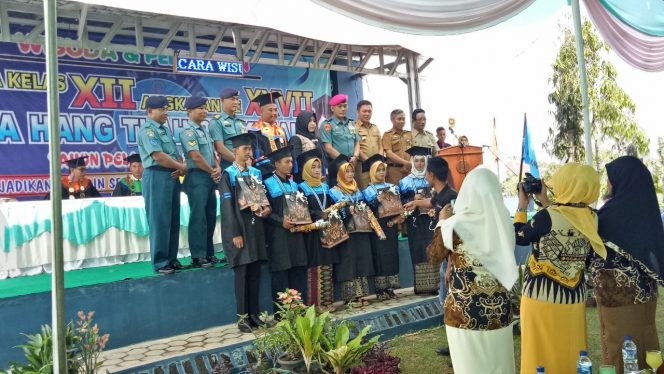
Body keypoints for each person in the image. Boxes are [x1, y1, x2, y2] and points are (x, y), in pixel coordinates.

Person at [515, 163, 603, 373]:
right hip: (573, 296)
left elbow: (520, 237)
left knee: (539, 353)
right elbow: (566, 216)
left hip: (541, 294)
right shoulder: (593, 217)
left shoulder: (547, 216)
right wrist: (545, 201)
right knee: (570, 349)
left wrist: (521, 206)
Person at [431, 168, 517, 373]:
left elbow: (433, 256)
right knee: (500, 366)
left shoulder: (455, 225)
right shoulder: (504, 223)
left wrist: (441, 221)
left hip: (464, 312)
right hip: (500, 311)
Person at [590, 156, 664, 371]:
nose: (608, 184)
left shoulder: (613, 214)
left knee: (622, 351)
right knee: (646, 343)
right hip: (643, 296)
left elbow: (587, 231)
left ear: (624, 179)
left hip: (620, 299)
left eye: (611, 179)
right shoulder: (644, 210)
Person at [219, 132, 270, 332]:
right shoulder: (228, 175)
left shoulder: (256, 173)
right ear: (235, 151)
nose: (249, 152)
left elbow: (262, 199)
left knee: (256, 273)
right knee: (243, 275)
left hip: (256, 228)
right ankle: (243, 319)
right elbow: (227, 208)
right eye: (245, 149)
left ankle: (255, 315)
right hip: (240, 229)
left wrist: (267, 209)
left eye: (250, 149)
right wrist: (235, 234)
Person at [138, 95, 188, 275]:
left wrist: (181, 168)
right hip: (156, 176)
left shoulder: (164, 130)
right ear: (150, 111)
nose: (166, 112)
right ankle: (160, 262)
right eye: (162, 109)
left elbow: (174, 154)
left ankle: (171, 259)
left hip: (171, 175)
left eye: (166, 109)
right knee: (160, 220)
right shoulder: (148, 130)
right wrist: (181, 167)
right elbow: (158, 156)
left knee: (173, 219)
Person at [402, 150, 456, 295]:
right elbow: (431, 202)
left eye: (427, 173)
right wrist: (415, 202)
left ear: (431, 175)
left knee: (446, 298)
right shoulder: (440, 193)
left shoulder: (450, 197)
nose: (425, 176)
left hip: (451, 258)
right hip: (445, 257)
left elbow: (454, 235)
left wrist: (450, 265)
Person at [179, 96, 222, 268]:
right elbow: (195, 157)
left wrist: (217, 167)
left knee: (210, 215)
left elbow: (212, 154)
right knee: (198, 217)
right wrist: (212, 171)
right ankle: (197, 255)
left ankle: (209, 253)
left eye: (205, 108)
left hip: (209, 176)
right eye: (200, 108)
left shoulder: (204, 130)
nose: (204, 111)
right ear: (190, 111)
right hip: (197, 176)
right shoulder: (188, 132)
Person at [263, 146, 308, 304]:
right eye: (287, 162)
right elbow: (264, 212)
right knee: (281, 274)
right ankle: (282, 315)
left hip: (296, 236)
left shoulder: (294, 185)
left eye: (292, 161)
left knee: (298, 271)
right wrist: (280, 221)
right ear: (276, 164)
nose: (291, 165)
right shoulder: (266, 184)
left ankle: (300, 310)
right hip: (278, 236)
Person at [329, 155, 375, 305]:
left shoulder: (357, 190)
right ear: (340, 174)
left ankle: (361, 295)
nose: (350, 175)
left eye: (351, 171)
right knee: (348, 262)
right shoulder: (334, 192)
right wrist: (346, 211)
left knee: (361, 260)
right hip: (345, 232)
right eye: (346, 172)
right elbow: (332, 214)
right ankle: (350, 297)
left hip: (360, 231)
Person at [297, 149, 340, 312]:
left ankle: (328, 302)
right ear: (307, 169)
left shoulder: (324, 186)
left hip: (327, 230)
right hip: (313, 232)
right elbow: (302, 209)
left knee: (327, 265)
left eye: (319, 167)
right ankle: (315, 304)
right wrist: (317, 215)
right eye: (313, 167)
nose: (316, 170)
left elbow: (329, 205)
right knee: (316, 266)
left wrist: (332, 211)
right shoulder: (301, 188)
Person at [362, 154, 403, 300]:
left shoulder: (392, 187)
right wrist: (375, 200)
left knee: (392, 254)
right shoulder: (368, 190)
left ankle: (390, 287)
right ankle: (380, 289)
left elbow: (398, 205)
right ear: (373, 172)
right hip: (378, 227)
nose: (381, 173)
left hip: (391, 225)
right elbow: (367, 209)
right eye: (378, 170)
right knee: (379, 255)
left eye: (383, 170)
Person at [320, 94, 360, 186]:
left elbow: (357, 142)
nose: (343, 109)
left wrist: (356, 156)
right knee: (339, 194)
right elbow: (328, 148)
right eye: (340, 106)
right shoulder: (327, 125)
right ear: (332, 108)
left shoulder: (351, 123)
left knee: (352, 191)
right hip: (337, 165)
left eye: (345, 106)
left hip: (353, 164)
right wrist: (345, 162)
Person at [250, 91, 288, 177]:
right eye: (270, 110)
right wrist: (277, 170)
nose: (274, 113)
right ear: (261, 111)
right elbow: (259, 158)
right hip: (266, 175)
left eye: (275, 110)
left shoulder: (281, 131)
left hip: (283, 175)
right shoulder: (255, 131)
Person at [209, 88, 247, 170]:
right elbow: (220, 148)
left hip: (245, 166)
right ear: (222, 100)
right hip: (228, 167)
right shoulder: (216, 122)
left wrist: (248, 161)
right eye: (232, 99)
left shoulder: (241, 122)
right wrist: (239, 162)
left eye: (237, 99)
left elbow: (247, 145)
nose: (236, 102)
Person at [289, 111, 325, 182]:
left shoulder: (318, 139)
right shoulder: (296, 139)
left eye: (314, 121)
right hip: (303, 180)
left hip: (318, 178)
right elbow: (296, 162)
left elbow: (323, 159)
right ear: (302, 122)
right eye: (309, 121)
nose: (313, 124)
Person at [354, 100, 383, 189]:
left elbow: (381, 146)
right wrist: (369, 162)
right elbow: (356, 146)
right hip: (362, 166)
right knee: (365, 190)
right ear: (358, 112)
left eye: (369, 111)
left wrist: (379, 160)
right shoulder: (353, 127)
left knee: (379, 191)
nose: (367, 113)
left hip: (377, 166)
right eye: (364, 111)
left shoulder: (375, 127)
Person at [382, 109, 413, 185]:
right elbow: (389, 153)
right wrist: (405, 162)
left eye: (403, 119)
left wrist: (409, 164)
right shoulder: (387, 135)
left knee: (409, 194)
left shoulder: (409, 134)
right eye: (399, 119)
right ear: (392, 120)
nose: (402, 121)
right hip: (394, 171)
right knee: (395, 194)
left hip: (408, 170)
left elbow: (413, 152)